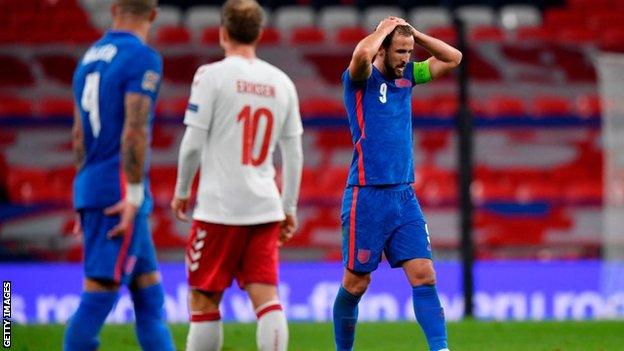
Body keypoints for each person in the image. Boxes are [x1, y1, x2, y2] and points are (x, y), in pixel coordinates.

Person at [170, 0, 303, 350]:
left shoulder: (210, 76)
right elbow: (293, 153)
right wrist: (288, 206)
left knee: (203, 300)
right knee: (267, 298)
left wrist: (182, 189)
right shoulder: (281, 82)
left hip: (219, 208)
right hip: (264, 207)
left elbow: (192, 144)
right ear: (259, 33)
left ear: (222, 33)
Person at [332, 17, 462, 351]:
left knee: (425, 275)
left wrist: (414, 34)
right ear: (383, 49)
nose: (406, 58)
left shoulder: (409, 78)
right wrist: (381, 32)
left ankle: (441, 348)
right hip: (367, 194)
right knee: (356, 284)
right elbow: (361, 56)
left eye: (409, 51)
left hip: (404, 195)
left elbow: (453, 58)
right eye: (400, 51)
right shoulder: (360, 80)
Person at [63, 1, 175, 350]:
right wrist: (134, 195)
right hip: (119, 193)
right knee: (100, 295)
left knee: (149, 297)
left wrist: (85, 194)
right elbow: (134, 131)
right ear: (153, 16)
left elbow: (79, 135)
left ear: (113, 9)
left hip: (95, 186)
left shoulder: (89, 58)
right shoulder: (142, 57)